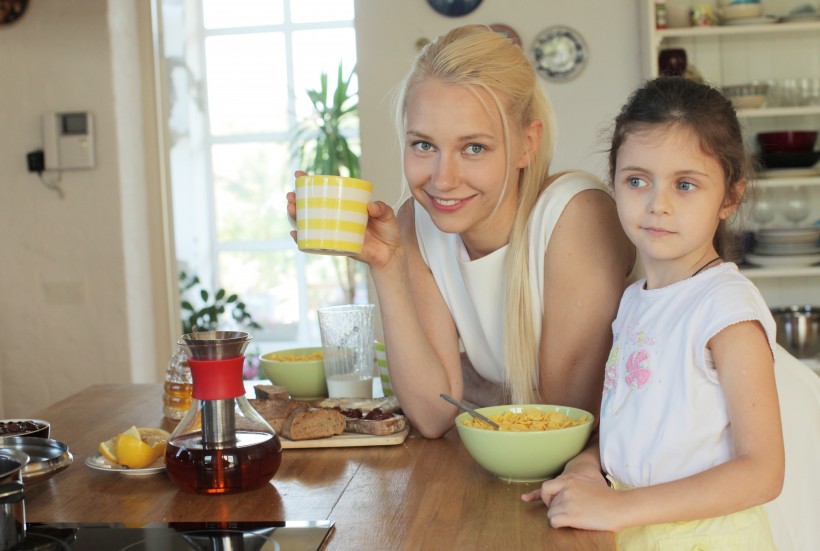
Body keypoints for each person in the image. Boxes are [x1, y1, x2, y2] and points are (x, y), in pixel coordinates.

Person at [287, 24, 635, 438]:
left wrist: (478, 393)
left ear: (527, 144)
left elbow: (561, 424)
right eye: (424, 145)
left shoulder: (576, 215)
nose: (443, 180)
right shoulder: (417, 227)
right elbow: (434, 415)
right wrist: (387, 265)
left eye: (474, 148)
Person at [523, 76, 820, 551]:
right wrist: (588, 465)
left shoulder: (726, 308)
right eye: (637, 180)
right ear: (614, 182)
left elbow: (762, 472)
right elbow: (640, 425)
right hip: (635, 530)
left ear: (730, 197)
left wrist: (619, 507)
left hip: (709, 539)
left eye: (685, 184)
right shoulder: (634, 300)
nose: (657, 204)